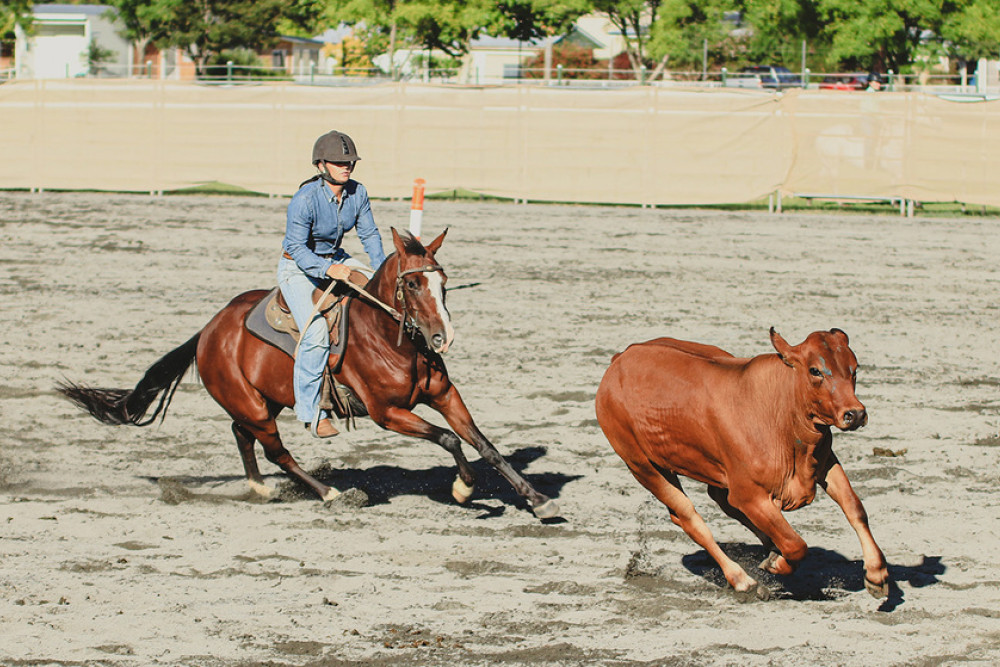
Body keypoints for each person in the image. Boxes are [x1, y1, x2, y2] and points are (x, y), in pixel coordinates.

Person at [277, 130, 386, 438]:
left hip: (337, 259)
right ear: (321, 165)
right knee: (315, 334)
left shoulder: (358, 192)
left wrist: (381, 272)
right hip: (297, 268)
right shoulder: (304, 199)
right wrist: (328, 268)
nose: (346, 167)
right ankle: (312, 413)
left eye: (349, 161)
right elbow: (296, 248)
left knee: (379, 297)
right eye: (339, 162)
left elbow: (370, 235)